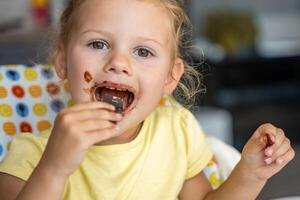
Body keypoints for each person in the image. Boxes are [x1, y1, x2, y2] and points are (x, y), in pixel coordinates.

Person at [0, 0, 295, 199]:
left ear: (170, 75)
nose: (119, 62)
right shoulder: (29, 154)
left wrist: (250, 173)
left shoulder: (176, 131)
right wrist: (54, 167)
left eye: (143, 51)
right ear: (62, 61)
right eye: (98, 43)